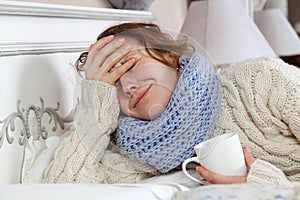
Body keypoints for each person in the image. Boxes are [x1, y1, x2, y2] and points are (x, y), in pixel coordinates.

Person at [42, 22, 300, 187]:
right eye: (114, 85)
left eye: (130, 64)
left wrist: (266, 184)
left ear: (169, 56)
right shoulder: (143, 154)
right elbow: (60, 188)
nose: (128, 86)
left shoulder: (261, 80)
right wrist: (96, 100)